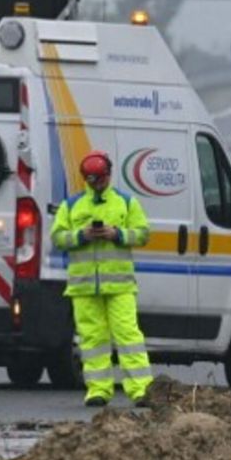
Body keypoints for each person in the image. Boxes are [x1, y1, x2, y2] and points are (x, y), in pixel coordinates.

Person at [50, 150, 154, 407]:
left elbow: (142, 234)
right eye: (93, 179)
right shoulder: (72, 205)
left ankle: (141, 389)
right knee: (92, 340)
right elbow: (58, 238)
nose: (98, 183)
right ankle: (98, 390)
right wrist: (81, 236)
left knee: (128, 336)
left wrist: (117, 234)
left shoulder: (126, 203)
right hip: (84, 287)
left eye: (101, 178)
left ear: (108, 175)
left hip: (119, 286)